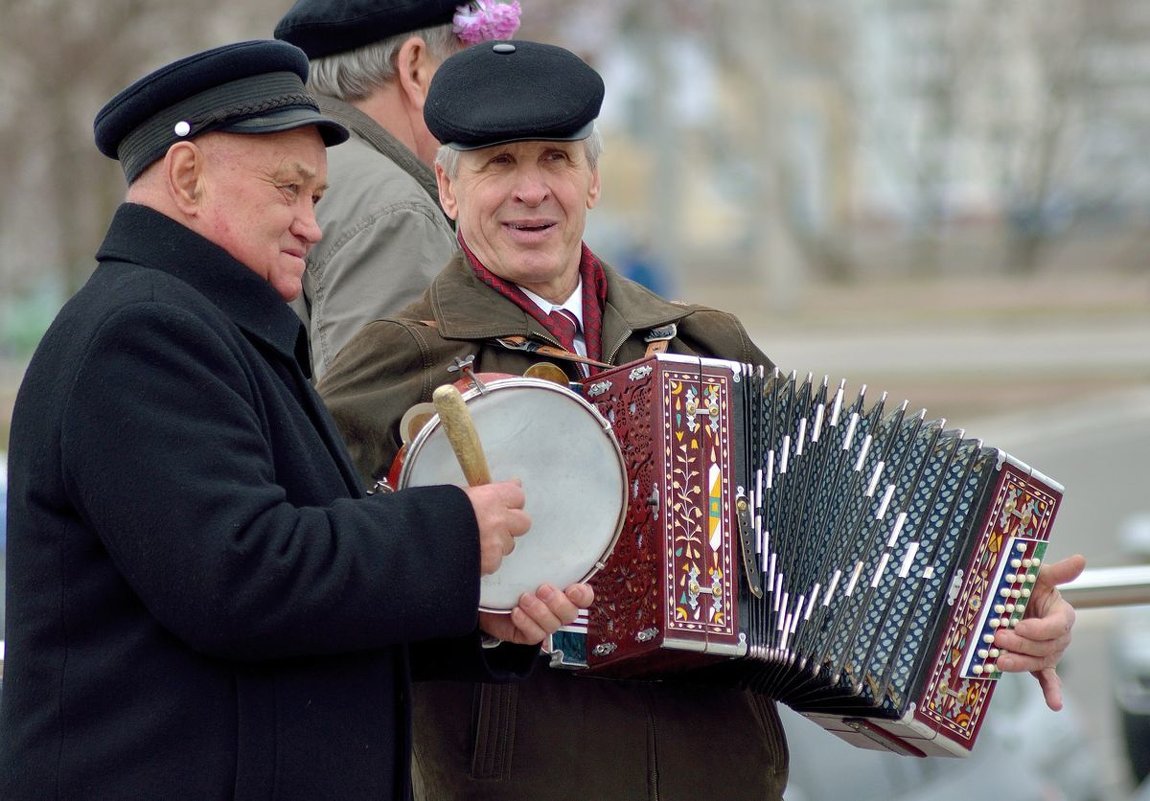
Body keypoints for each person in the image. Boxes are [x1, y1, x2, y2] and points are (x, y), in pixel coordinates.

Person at [316, 41, 1087, 801]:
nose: (530, 190)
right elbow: (323, 585)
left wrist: (1008, 607)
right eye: (498, 164)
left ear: (593, 181)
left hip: (724, 778)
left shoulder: (703, 343)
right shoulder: (395, 363)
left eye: (554, 158)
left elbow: (835, 542)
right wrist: (477, 615)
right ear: (448, 190)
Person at [0, 40, 592, 801]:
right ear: (187, 177)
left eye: (316, 197)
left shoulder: (215, 328)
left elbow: (307, 603)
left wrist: (475, 616)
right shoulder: (141, 334)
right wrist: (451, 534)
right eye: (291, 190)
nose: (312, 225)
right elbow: (239, 575)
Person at [274, 0, 522, 378]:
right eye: (467, 66)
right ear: (415, 69)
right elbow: (380, 424)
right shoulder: (393, 211)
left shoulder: (273, 166)